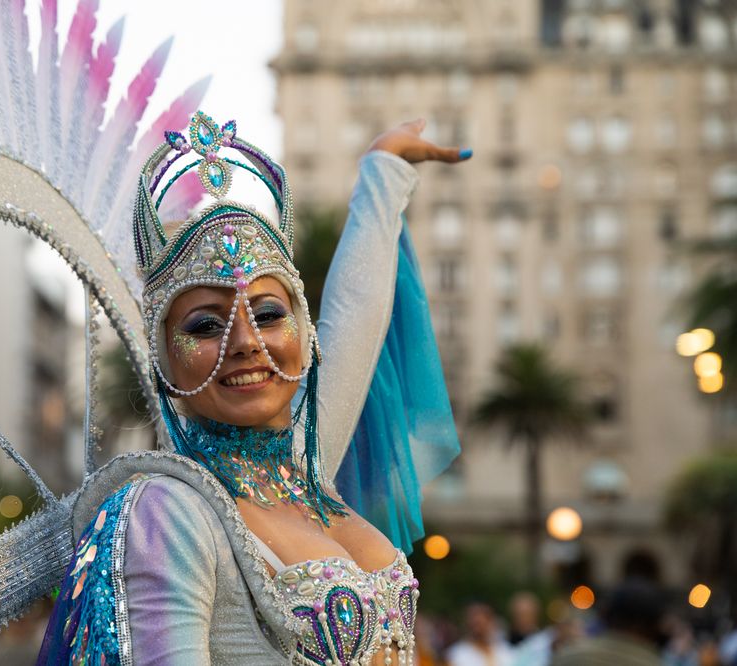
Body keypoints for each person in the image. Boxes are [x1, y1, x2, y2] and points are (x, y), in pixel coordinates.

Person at [36, 112, 469, 664]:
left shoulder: (305, 472)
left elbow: (357, 317)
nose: (245, 342)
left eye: (267, 314)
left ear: (305, 335)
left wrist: (384, 174)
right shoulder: (164, 511)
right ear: (164, 359)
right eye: (205, 325)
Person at [445, 602, 514, 666]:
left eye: (483, 623)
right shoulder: (456, 654)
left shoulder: (504, 649)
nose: (479, 629)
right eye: (475, 624)